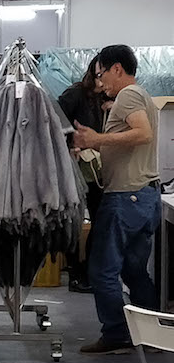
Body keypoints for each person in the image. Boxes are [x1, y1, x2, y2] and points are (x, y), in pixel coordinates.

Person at [73, 44, 160, 355]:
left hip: (126, 197)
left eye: (101, 74)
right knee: (133, 270)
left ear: (117, 69)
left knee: (101, 270)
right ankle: (150, 336)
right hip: (142, 197)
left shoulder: (129, 95)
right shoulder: (138, 97)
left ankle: (116, 334)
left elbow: (143, 134)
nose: (100, 83)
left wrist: (97, 139)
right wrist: (94, 147)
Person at [58, 55, 108, 293]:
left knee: (100, 222)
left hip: (98, 169)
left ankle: (88, 270)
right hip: (75, 165)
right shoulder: (75, 94)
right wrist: (69, 145)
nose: (102, 80)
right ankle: (75, 273)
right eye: (99, 75)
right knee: (73, 221)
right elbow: (56, 122)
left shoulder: (109, 97)